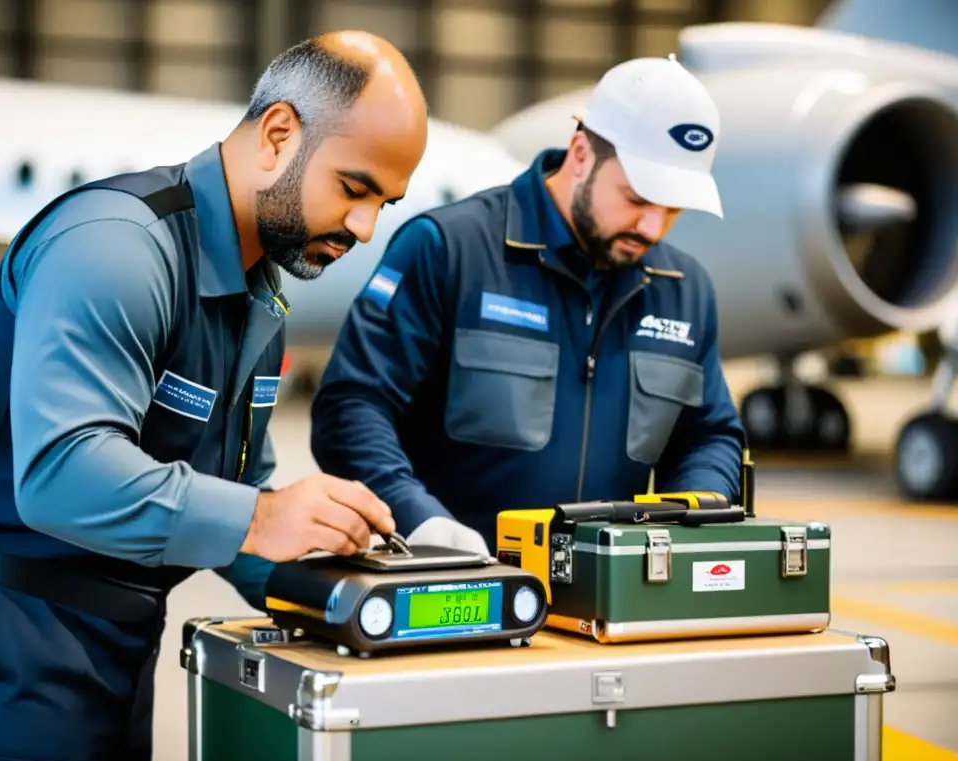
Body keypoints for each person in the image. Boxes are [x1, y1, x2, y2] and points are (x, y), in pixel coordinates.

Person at [0, 31, 426, 761]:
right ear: (279, 134)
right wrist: (261, 518)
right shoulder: (116, 248)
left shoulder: (258, 297)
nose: (364, 228)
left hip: (118, 646)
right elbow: (60, 474)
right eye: (355, 189)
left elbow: (230, 503)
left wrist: (358, 596)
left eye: (384, 204)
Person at [311, 55, 746, 556]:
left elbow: (708, 433)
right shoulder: (450, 249)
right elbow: (351, 407)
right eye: (636, 198)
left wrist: (694, 511)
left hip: (610, 596)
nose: (652, 227)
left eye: (672, 209)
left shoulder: (683, 289)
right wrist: (415, 517)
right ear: (582, 153)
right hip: (455, 586)